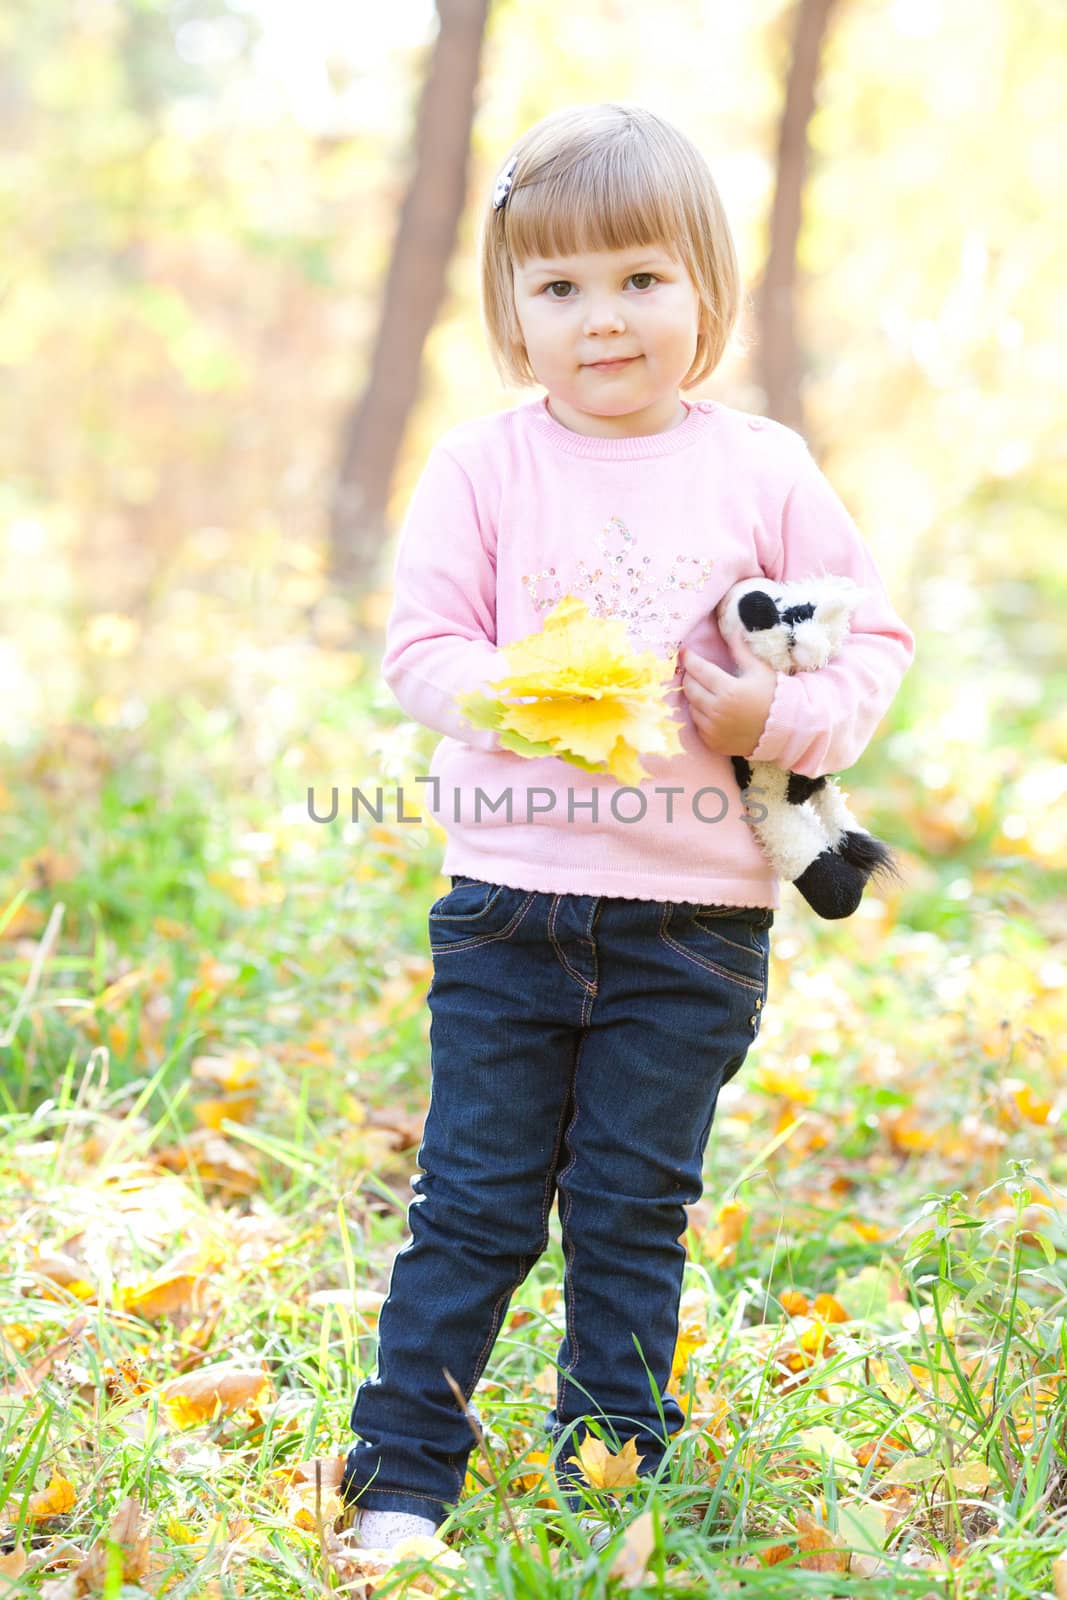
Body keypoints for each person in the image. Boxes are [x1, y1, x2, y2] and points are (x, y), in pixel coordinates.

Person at [339, 102, 915, 1549]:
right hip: (509, 904)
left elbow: (871, 645)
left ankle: (611, 1478)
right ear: (513, 312)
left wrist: (761, 728)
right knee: (471, 1202)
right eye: (562, 288)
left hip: (698, 925)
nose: (604, 319)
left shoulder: (764, 469)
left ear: (705, 293)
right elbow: (420, 651)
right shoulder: (486, 466)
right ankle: (405, 1471)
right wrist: (521, 700)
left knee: (629, 1211)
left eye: (642, 280)